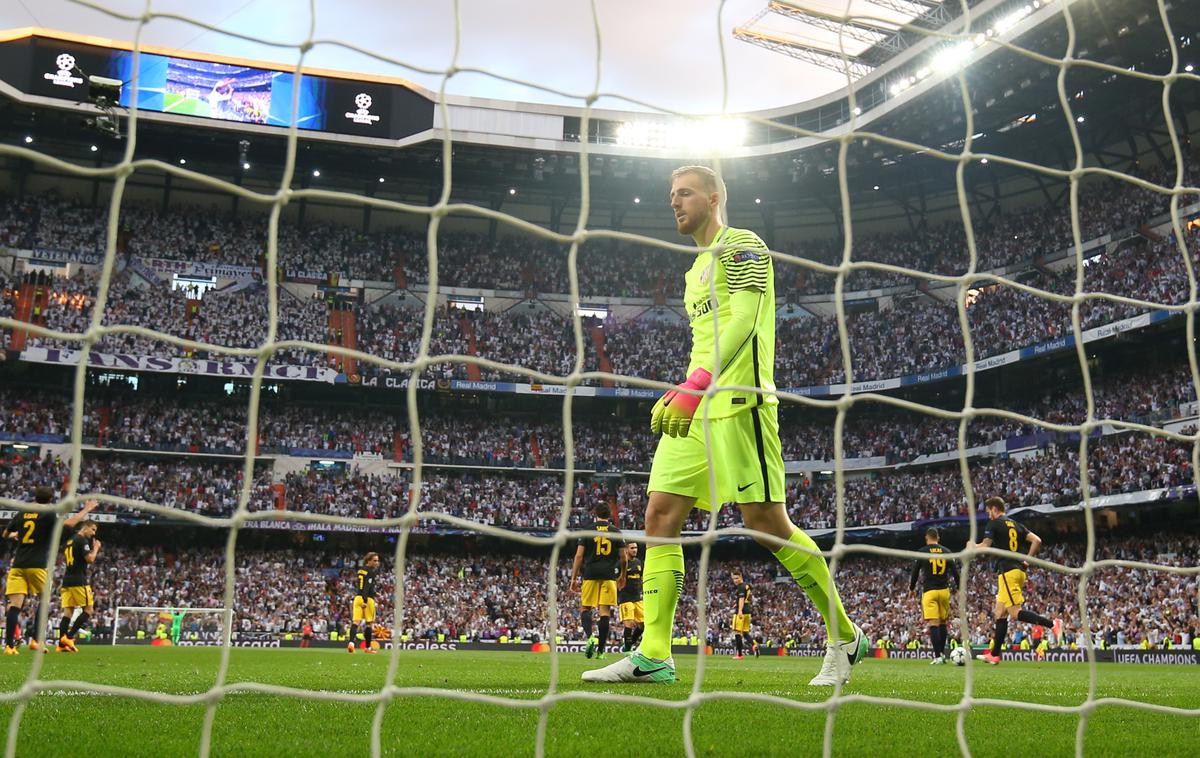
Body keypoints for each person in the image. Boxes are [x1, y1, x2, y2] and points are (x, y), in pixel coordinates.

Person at [584, 166, 865, 685]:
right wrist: (686, 388)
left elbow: (744, 321)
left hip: (742, 405)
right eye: (671, 195)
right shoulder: (694, 272)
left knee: (766, 526)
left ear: (714, 198)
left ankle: (845, 635)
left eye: (685, 192)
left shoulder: (743, 246)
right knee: (659, 516)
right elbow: (707, 341)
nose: (675, 202)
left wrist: (696, 386)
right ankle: (654, 654)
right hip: (699, 407)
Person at [3, 491, 97, 655]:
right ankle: (36, 641)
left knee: (14, 607)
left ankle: (9, 646)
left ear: (35, 498)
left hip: (18, 565)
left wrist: (15, 534)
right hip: (37, 565)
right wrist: (86, 509)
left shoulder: (22, 513)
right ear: (50, 500)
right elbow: (68, 525)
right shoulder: (48, 514)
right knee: (44, 600)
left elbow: (5, 534)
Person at [968, 497, 1054, 665]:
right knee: (1000, 613)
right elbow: (1037, 540)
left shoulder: (994, 523)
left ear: (994, 509)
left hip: (1008, 571)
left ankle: (1052, 624)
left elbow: (985, 546)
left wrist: (972, 546)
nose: (988, 515)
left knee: (1015, 613)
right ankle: (994, 654)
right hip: (1017, 571)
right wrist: (1027, 560)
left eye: (988, 512)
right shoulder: (1016, 524)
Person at [570, 503, 625, 660]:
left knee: (585, 608)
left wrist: (573, 578)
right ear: (610, 515)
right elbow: (623, 557)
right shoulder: (616, 532)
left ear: (595, 514)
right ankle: (601, 650)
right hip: (609, 575)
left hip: (591, 574)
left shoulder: (587, 530)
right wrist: (622, 575)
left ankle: (590, 637)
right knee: (604, 613)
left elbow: (579, 556)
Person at [908, 527, 957, 664]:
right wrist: (959, 588)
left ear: (926, 538)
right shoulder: (947, 552)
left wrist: (911, 589)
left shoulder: (923, 552)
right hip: (944, 591)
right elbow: (955, 571)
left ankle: (937, 656)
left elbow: (915, 572)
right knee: (943, 623)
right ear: (938, 538)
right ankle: (942, 654)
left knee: (933, 623)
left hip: (929, 591)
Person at [57, 518, 101, 653]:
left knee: (68, 612)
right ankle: (69, 637)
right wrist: (96, 548)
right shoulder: (82, 540)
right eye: (92, 529)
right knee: (88, 610)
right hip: (78, 580)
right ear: (86, 527)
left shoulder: (70, 541)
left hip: (67, 580)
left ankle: (62, 644)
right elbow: (90, 559)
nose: (93, 533)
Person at [347, 552, 380, 654]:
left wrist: (374, 592)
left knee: (356, 622)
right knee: (369, 624)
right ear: (368, 561)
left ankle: (351, 643)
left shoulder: (361, 570)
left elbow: (362, 585)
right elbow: (367, 587)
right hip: (367, 599)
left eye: (377, 560)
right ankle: (368, 648)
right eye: (374, 560)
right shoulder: (371, 572)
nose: (376, 563)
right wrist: (365, 600)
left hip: (357, 598)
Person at [618, 543, 644, 653]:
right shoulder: (621, 563)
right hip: (626, 598)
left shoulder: (639, 563)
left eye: (636, 548)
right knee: (628, 624)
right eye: (632, 548)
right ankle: (627, 651)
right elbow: (616, 581)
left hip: (638, 598)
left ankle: (630, 643)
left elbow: (641, 578)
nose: (635, 550)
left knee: (643, 625)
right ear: (626, 550)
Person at [731, 571, 755, 660]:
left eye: (737, 578)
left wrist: (740, 610)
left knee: (737, 633)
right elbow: (747, 597)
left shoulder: (740, 587)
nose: (735, 580)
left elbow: (741, 599)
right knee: (745, 632)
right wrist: (736, 603)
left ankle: (739, 655)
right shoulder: (747, 585)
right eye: (734, 579)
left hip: (741, 612)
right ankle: (754, 645)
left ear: (741, 577)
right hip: (748, 611)